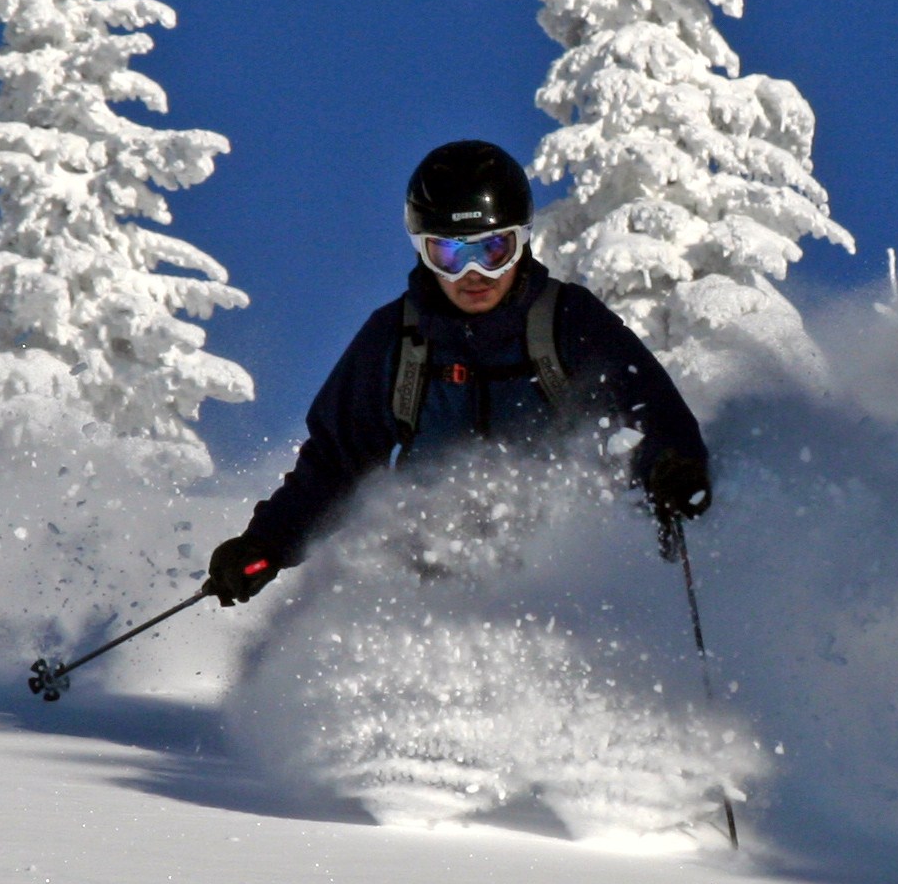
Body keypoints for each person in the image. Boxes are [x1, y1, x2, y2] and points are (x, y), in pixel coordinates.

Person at [206, 141, 709, 605]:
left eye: (493, 251)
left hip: (563, 573)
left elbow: (647, 404)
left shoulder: (566, 321)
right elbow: (335, 464)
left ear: (523, 242)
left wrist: (671, 466)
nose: (473, 275)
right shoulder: (397, 340)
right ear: (423, 252)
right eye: (448, 253)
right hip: (432, 581)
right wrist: (266, 544)